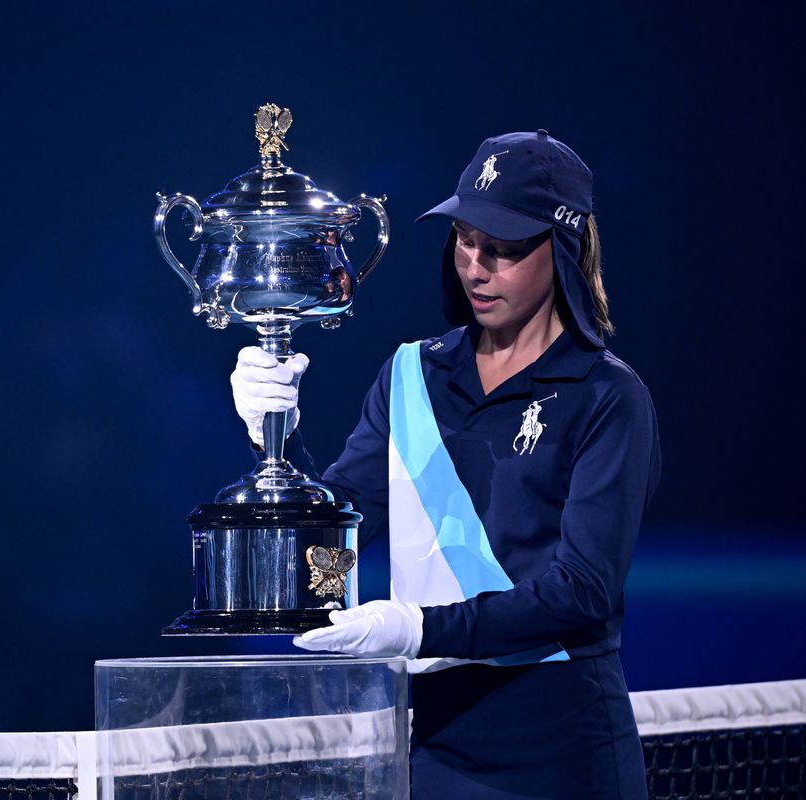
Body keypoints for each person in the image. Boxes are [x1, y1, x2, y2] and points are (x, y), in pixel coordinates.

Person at [231, 131, 661, 799]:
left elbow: (583, 590)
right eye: (465, 239)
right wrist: (272, 441)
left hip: (563, 753)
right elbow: (333, 547)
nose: (476, 266)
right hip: (436, 751)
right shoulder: (411, 375)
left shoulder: (609, 395)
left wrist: (422, 627)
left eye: (506, 249)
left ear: (564, 247)